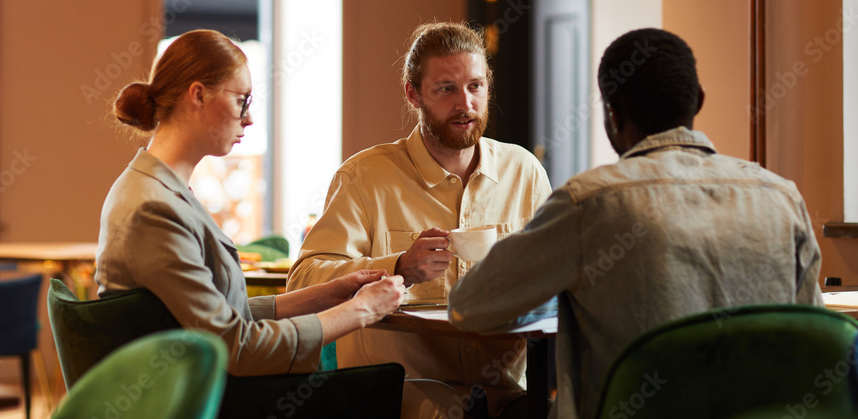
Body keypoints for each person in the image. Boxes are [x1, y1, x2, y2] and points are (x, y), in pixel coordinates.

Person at [449, 28, 824, 419]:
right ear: (698, 100)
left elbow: (468, 306)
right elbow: (815, 335)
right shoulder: (783, 198)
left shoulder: (588, 203)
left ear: (612, 113)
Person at [95, 29, 405, 378]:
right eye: (243, 99)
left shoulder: (158, 189)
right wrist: (361, 311)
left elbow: (221, 316)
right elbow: (236, 348)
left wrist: (329, 295)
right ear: (197, 95)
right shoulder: (153, 208)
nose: (249, 117)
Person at [288, 21, 552, 416]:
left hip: (507, 392)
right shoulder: (364, 177)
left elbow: (555, 277)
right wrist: (396, 267)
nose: (465, 104)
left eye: (475, 86)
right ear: (413, 94)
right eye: (446, 89)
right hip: (403, 394)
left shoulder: (524, 172)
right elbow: (304, 278)